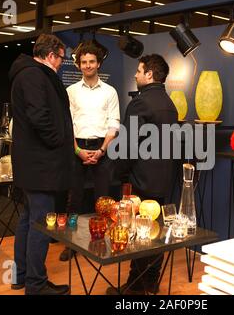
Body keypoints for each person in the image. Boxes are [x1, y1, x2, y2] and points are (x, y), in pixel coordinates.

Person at [107, 54, 178, 295]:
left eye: (139, 71)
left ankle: (135, 287)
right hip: (165, 180)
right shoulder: (170, 104)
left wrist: (119, 175)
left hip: (142, 180)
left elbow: (127, 146)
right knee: (155, 233)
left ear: (149, 74)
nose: (135, 75)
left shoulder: (140, 103)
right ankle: (150, 281)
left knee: (138, 234)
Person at [9, 34, 74, 295]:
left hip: (34, 165)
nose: (61, 63)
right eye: (60, 58)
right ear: (50, 56)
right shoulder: (34, 76)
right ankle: (35, 285)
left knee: (28, 220)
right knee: (40, 224)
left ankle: (21, 276)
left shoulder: (28, 74)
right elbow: (40, 117)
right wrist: (60, 141)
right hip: (41, 166)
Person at [58, 42, 120, 261]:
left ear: (99, 63)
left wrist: (102, 150)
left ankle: (99, 242)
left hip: (102, 149)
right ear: (78, 65)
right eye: (83, 62)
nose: (87, 65)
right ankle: (70, 244)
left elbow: (114, 123)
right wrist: (76, 149)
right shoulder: (70, 91)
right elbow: (68, 124)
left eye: (91, 61)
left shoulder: (110, 92)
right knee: (73, 200)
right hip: (77, 149)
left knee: (102, 201)